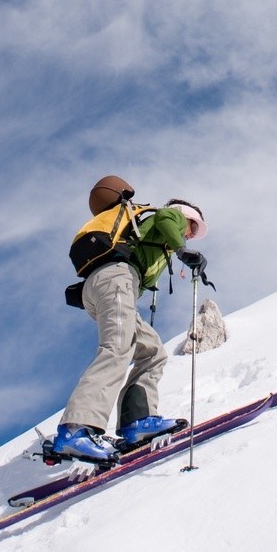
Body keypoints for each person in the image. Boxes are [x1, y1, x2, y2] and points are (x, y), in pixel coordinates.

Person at [53, 175, 209, 462]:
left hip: (105, 285)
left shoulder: (148, 233)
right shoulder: (169, 215)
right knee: (118, 348)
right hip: (114, 280)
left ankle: (136, 423)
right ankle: (76, 428)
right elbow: (165, 218)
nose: (189, 233)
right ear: (185, 215)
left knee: (152, 352)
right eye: (192, 227)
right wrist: (183, 250)